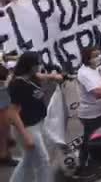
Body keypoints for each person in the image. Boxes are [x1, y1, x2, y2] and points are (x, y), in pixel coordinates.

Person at [8, 51, 64, 182]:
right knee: (43, 161)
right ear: (29, 65)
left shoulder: (32, 76)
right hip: (28, 127)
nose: (40, 66)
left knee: (29, 160)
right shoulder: (17, 84)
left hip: (40, 123)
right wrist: (26, 136)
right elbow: (13, 113)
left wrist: (54, 77)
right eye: (37, 64)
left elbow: (42, 76)